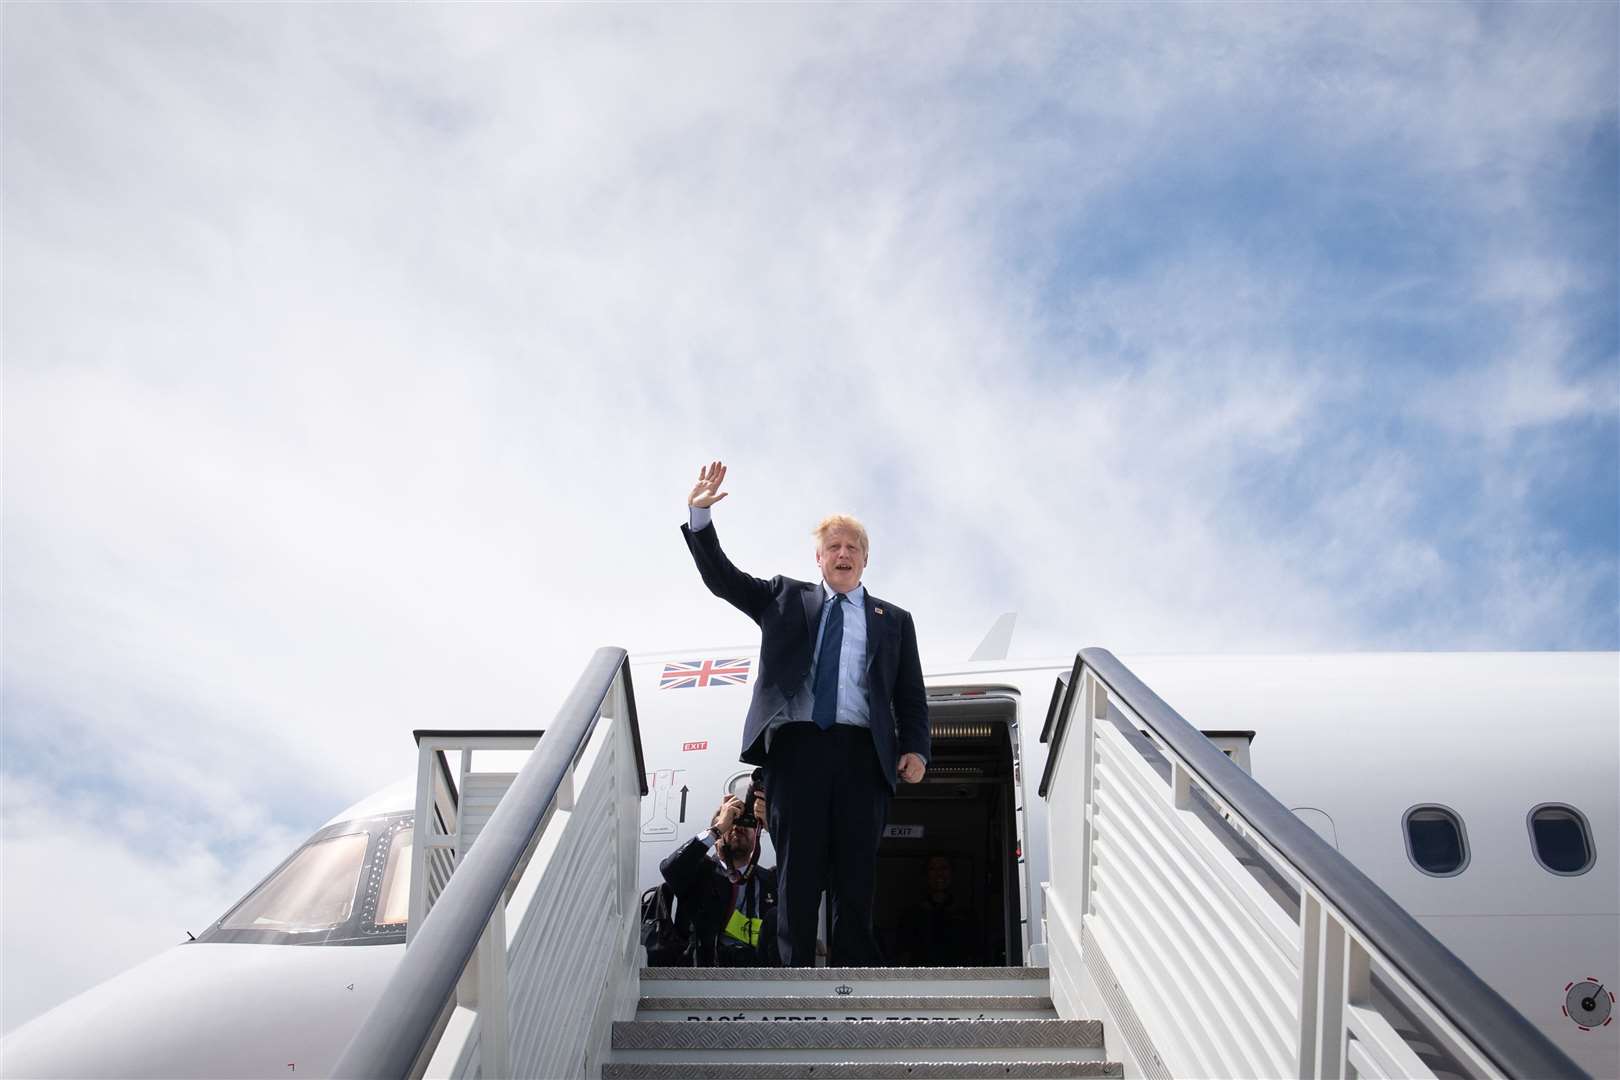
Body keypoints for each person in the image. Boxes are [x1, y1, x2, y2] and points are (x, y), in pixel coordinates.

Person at [681, 460, 930, 966]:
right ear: (818, 558)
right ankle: (794, 975)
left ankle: (855, 974)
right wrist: (700, 519)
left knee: (856, 871)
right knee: (797, 871)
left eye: (853, 547)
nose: (843, 554)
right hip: (797, 752)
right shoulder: (783, 597)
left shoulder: (894, 621)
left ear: (865, 561)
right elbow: (724, 580)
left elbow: (910, 693)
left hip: (864, 755)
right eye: (834, 546)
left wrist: (916, 747)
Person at [658, 792, 778, 966]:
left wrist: (774, 828)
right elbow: (670, 869)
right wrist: (719, 826)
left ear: (757, 835)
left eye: (747, 823)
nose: (739, 827)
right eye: (732, 822)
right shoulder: (698, 873)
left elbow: (806, 879)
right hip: (705, 971)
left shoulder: (770, 881)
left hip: (759, 972)